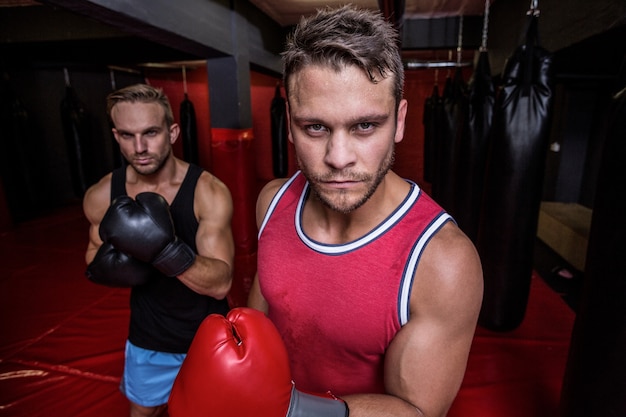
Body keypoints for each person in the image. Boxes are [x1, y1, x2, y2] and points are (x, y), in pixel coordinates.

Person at [247, 5, 483, 417]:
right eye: (315, 127)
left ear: (400, 121)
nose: (339, 158)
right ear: (289, 123)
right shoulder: (272, 203)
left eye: (365, 126)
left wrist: (288, 410)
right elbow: (259, 316)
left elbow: (418, 411)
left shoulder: (441, 262)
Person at [82, 83, 234, 417]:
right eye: (126, 135)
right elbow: (92, 256)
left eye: (150, 132)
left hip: (207, 337)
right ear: (115, 135)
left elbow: (221, 282)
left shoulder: (207, 191)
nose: (139, 147)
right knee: (143, 414)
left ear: (173, 131)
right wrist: (114, 264)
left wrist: (163, 251)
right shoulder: (101, 194)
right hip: (148, 337)